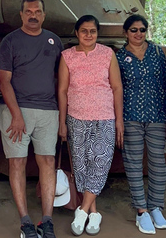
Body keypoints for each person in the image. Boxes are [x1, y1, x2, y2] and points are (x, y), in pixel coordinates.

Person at [0, 0, 63, 238]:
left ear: (44, 15)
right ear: (21, 15)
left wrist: (61, 117)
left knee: (48, 162)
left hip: (48, 110)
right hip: (16, 111)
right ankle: (25, 221)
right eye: (28, 11)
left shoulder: (54, 41)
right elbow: (4, 81)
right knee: (18, 162)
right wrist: (16, 115)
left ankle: (47, 220)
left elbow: (60, 80)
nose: (33, 15)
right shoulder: (10, 41)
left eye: (37, 11)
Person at [58, 15, 124, 236]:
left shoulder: (107, 54)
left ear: (97, 33)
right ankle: (94, 213)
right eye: (84, 31)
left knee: (100, 161)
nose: (88, 35)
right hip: (76, 118)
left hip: (104, 117)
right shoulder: (67, 56)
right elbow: (62, 91)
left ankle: (82, 210)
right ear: (76, 33)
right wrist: (62, 122)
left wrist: (119, 120)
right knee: (81, 165)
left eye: (92, 31)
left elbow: (116, 88)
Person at [116, 14, 166, 235]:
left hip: (157, 115)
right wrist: (118, 119)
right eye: (133, 30)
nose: (138, 34)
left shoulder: (158, 52)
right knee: (133, 162)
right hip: (130, 115)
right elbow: (116, 89)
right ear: (125, 33)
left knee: (158, 162)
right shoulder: (119, 57)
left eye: (142, 30)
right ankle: (141, 210)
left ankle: (156, 206)